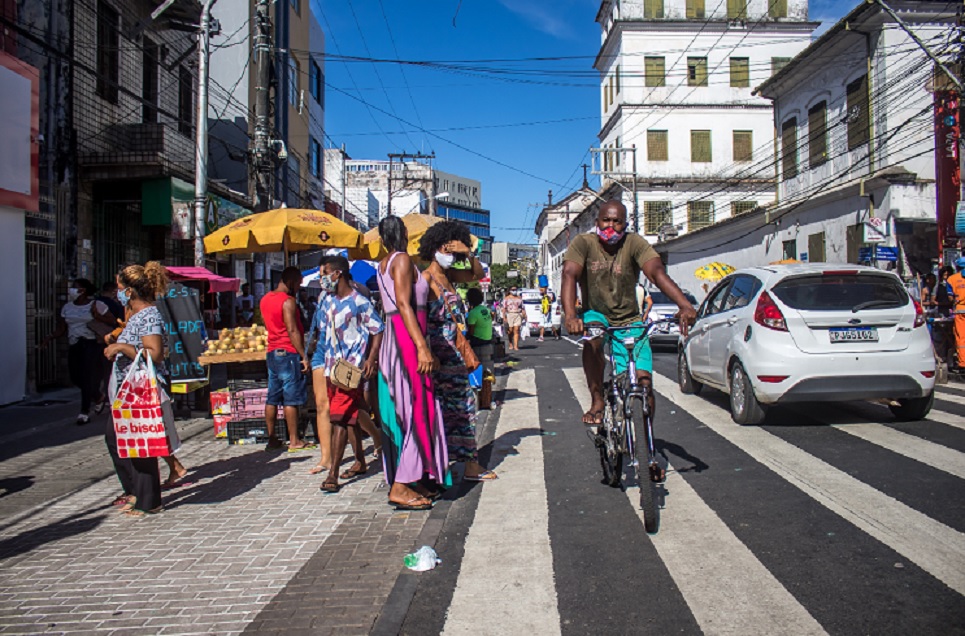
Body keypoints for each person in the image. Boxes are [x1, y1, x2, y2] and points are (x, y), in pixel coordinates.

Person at [561, 200, 696, 436]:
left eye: (617, 221)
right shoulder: (584, 243)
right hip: (596, 314)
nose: (610, 226)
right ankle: (597, 401)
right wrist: (571, 315)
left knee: (644, 385)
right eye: (606, 220)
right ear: (597, 222)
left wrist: (684, 304)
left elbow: (656, 272)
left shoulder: (634, 242)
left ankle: (647, 446)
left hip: (630, 319)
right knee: (592, 338)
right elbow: (569, 274)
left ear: (625, 224)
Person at [375, 215, 449, 510]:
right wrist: (421, 347)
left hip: (398, 337)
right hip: (406, 340)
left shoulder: (384, 264)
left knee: (414, 410)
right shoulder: (402, 260)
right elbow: (404, 303)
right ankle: (402, 485)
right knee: (419, 409)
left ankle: (415, 476)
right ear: (403, 234)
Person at [103, 262, 182, 516]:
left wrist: (122, 348)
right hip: (129, 390)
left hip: (139, 390)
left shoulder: (148, 315)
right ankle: (137, 493)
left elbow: (155, 353)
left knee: (137, 442)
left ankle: (148, 500)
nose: (119, 293)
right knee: (120, 439)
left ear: (131, 291)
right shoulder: (136, 315)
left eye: (121, 288)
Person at [420, 221, 497, 483]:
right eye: (446, 249)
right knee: (458, 408)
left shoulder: (450, 276)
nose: (450, 255)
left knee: (459, 408)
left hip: (455, 352)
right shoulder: (426, 279)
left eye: (453, 250)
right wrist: (426, 351)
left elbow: (476, 275)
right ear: (434, 248)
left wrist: (468, 253)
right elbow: (417, 319)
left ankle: (460, 463)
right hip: (440, 356)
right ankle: (463, 465)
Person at [308, 256, 384, 494]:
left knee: (339, 418)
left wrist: (371, 359)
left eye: (325, 273)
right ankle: (361, 459)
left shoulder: (360, 302)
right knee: (350, 415)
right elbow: (321, 331)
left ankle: (333, 475)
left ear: (338, 274)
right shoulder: (327, 301)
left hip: (351, 369)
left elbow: (377, 329)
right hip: (330, 367)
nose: (322, 278)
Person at [40, 278, 117, 424]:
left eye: (76, 287)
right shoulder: (67, 307)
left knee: (87, 376)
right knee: (75, 376)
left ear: (84, 290)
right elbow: (62, 328)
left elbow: (113, 321)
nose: (72, 290)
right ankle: (97, 396)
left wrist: (97, 316)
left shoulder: (96, 305)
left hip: (91, 343)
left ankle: (84, 411)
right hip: (75, 344)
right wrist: (49, 338)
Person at [260, 266, 315, 452]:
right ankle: (294, 440)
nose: (299, 287)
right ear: (290, 281)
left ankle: (272, 438)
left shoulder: (265, 299)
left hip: (272, 351)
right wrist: (303, 355)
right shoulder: (288, 302)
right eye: (299, 283)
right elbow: (292, 330)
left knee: (272, 397)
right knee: (290, 398)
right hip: (288, 352)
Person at [466, 287, 494, 372]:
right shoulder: (485, 309)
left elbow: (471, 331)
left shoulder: (473, 313)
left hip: (478, 341)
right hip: (488, 338)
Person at [947, 258, 965, 369]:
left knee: (962, 337)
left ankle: (963, 363)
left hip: (960, 311)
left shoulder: (952, 279)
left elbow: (950, 297)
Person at [502, 287, 524, 351]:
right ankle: (510, 343)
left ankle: (516, 346)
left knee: (516, 330)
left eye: (515, 289)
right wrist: (504, 317)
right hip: (509, 314)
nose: (514, 291)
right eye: (513, 290)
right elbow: (504, 308)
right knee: (510, 330)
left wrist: (525, 315)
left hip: (517, 314)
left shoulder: (519, 298)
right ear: (510, 290)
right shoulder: (506, 299)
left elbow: (522, 308)